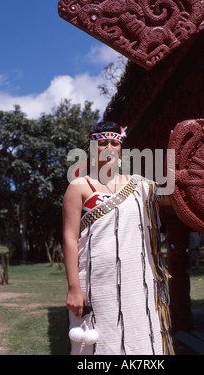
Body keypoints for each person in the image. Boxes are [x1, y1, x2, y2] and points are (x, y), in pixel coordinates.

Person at [62, 120, 174, 355]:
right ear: (93, 148)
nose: (110, 147)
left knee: (142, 338)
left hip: (138, 282)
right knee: (100, 345)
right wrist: (74, 287)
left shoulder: (138, 184)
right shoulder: (80, 186)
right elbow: (70, 238)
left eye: (115, 142)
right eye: (103, 143)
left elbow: (170, 197)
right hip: (96, 281)